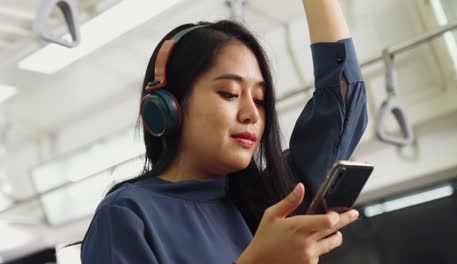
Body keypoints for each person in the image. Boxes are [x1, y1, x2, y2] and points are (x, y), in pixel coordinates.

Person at [80, 0, 367, 263]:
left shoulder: (270, 202)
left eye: (259, 100)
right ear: (168, 106)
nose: (252, 114)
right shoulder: (128, 215)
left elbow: (342, 103)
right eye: (229, 93)